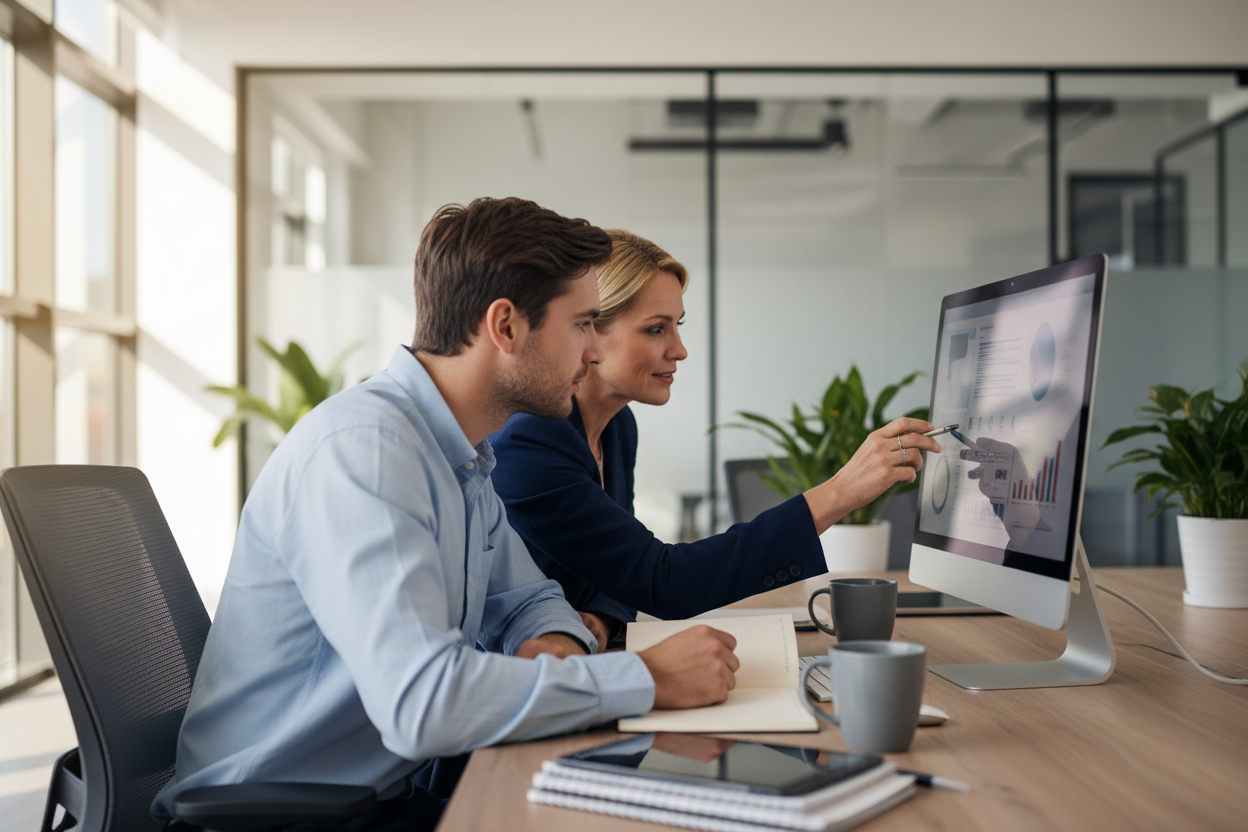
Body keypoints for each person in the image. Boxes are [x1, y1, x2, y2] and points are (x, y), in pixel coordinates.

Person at [151, 200, 740, 831]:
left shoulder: (460, 454)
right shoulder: (366, 455)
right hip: (284, 818)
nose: (596, 351)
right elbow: (424, 702)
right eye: (584, 324)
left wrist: (554, 644)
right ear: (506, 327)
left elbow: (526, 599)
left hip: (376, 798)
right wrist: (643, 677)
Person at [490, 230, 941, 644]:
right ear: (590, 329)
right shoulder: (529, 444)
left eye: (677, 326)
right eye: (655, 328)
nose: (679, 350)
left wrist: (603, 618)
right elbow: (663, 581)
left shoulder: (616, 428)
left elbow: (619, 575)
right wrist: (840, 492)